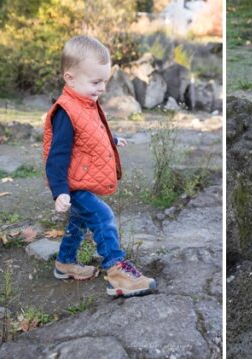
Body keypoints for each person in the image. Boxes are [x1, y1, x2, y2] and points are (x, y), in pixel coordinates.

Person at [43, 35, 157, 297]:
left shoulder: (85, 103)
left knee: (79, 221)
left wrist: (112, 139)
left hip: (78, 181)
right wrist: (59, 190)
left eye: (104, 81)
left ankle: (65, 263)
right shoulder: (66, 111)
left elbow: (91, 131)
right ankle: (116, 270)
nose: (102, 87)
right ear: (70, 78)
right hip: (71, 184)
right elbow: (57, 156)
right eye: (96, 81)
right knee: (102, 215)